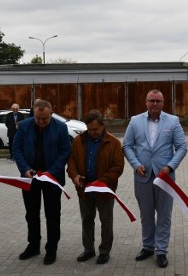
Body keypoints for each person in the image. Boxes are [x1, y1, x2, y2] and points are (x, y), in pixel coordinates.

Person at [122, 89, 187, 269]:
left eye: (158, 101)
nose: (155, 104)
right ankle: (148, 246)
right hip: (142, 176)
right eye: (152, 101)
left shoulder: (173, 121)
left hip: (165, 176)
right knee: (146, 215)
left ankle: (161, 251)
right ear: (146, 102)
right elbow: (127, 146)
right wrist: (136, 165)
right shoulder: (135, 121)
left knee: (164, 215)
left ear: (163, 102)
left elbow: (182, 147)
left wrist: (170, 166)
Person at [13, 99, 71, 265]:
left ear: (51, 113)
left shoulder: (61, 127)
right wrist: (24, 168)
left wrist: (51, 172)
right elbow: (16, 148)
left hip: (52, 179)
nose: (41, 122)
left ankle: (51, 248)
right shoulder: (24, 126)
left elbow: (65, 151)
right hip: (30, 178)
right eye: (38, 118)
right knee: (31, 214)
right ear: (34, 114)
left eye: (44, 119)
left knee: (52, 215)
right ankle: (33, 245)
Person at [67, 110, 125, 265]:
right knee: (87, 219)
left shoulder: (113, 143)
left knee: (106, 220)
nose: (92, 132)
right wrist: (74, 176)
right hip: (84, 188)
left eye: (95, 129)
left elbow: (118, 167)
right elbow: (71, 161)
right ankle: (88, 249)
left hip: (104, 190)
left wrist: (102, 182)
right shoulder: (79, 140)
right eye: (89, 129)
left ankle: (104, 251)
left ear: (102, 125)